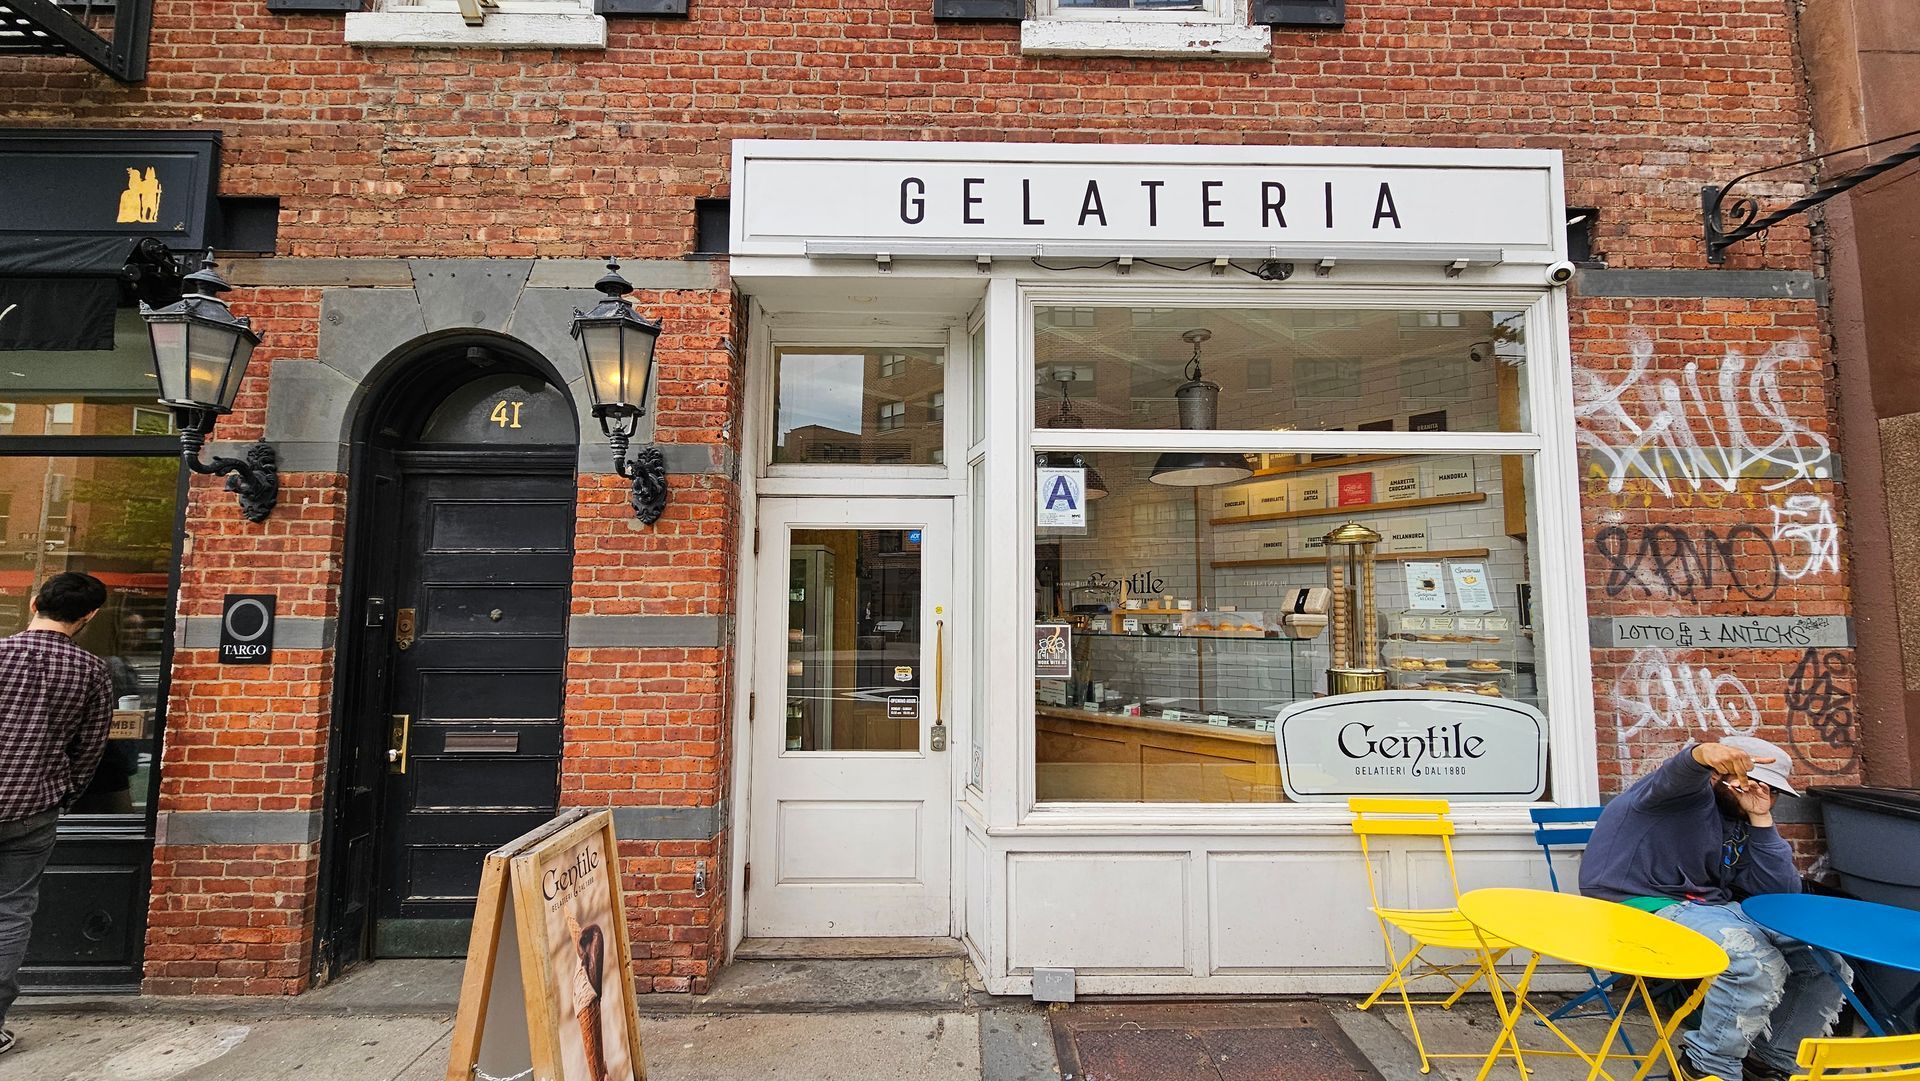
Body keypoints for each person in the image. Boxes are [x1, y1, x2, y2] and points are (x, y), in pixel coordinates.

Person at [1581, 736, 1847, 1081]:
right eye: (1747, 779)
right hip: (1633, 903)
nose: (1757, 791)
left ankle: (1766, 1062)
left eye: (1773, 790)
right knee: (1751, 960)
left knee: (1824, 959)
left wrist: (1761, 820)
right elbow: (1681, 770)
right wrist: (1704, 755)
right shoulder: (1677, 795)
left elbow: (1780, 894)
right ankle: (1706, 1070)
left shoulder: (1742, 817)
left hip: (1706, 909)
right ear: (1717, 774)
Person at [0, 573, 112, 1057]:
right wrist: (65, 794)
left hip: (32, 802)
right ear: (89, 616)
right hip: (32, 807)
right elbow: (90, 750)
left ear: (33, 603)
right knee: (11, 912)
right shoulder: (90, 671)